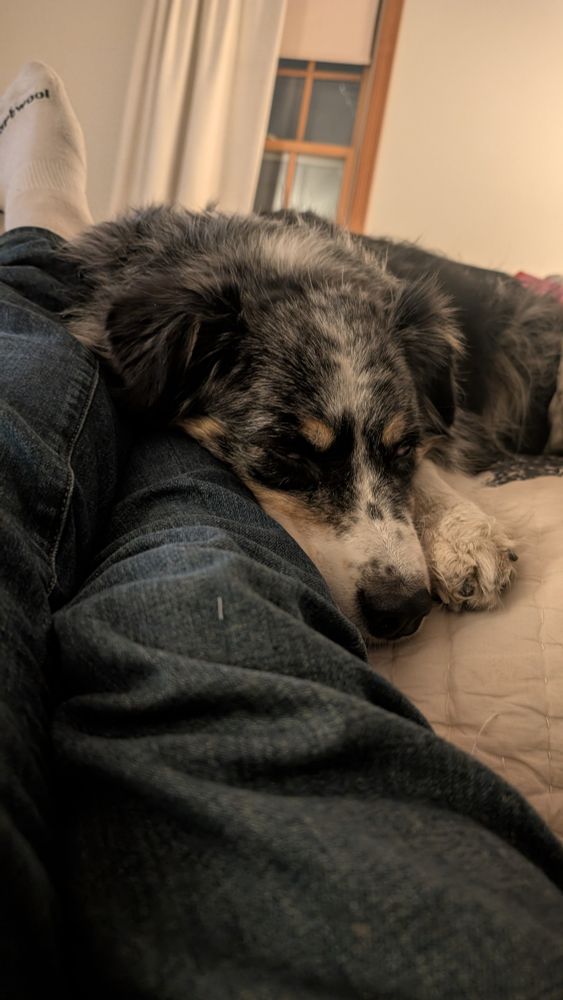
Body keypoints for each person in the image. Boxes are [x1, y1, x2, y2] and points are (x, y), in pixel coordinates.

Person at [1, 62, 563, 1000]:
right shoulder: (183, 334)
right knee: (117, 423)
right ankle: (34, 250)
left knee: (71, 405)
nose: (389, 559)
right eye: (299, 462)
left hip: (507, 329)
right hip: (167, 348)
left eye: (393, 461)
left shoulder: (404, 329)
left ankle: (27, 250)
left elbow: (414, 433)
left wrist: (421, 486)